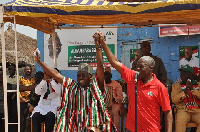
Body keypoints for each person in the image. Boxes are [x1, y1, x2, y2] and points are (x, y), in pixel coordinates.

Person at [34, 34, 116, 132]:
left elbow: (100, 66)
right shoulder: (72, 86)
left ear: (90, 76)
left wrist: (98, 46)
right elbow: (55, 74)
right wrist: (39, 62)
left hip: (94, 125)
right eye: (78, 75)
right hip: (76, 125)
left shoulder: (96, 86)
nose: (80, 78)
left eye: (83, 75)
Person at [94, 31, 173, 132]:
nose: (137, 69)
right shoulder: (132, 77)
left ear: (151, 68)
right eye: (136, 67)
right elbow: (114, 62)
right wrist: (102, 43)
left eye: (141, 67)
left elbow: (168, 111)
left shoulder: (159, 87)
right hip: (132, 129)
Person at [171, 64, 200, 132]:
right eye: (182, 73)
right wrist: (184, 93)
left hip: (197, 110)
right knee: (180, 121)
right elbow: (173, 100)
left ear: (190, 75)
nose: (182, 75)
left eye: (185, 73)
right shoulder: (177, 85)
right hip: (183, 110)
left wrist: (193, 90)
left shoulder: (198, 84)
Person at [104, 67, 123, 131]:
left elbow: (120, 98)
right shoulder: (100, 84)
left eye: (108, 75)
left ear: (111, 76)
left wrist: (113, 98)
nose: (106, 77)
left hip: (114, 106)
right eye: (105, 75)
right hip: (103, 106)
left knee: (115, 113)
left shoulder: (116, 85)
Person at [19, 64, 35, 132]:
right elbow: (17, 89)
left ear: (31, 70)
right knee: (22, 119)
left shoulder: (33, 79)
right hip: (22, 101)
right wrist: (21, 98)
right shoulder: (20, 79)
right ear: (24, 71)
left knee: (31, 119)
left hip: (31, 102)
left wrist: (30, 99)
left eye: (29, 69)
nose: (28, 71)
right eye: (26, 69)